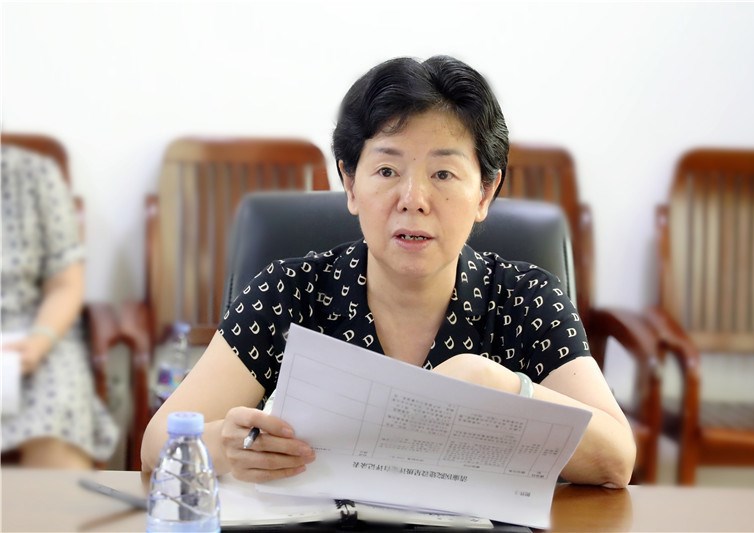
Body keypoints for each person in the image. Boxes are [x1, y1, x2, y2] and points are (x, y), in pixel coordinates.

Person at [142, 55, 635, 488]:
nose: (413, 200)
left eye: (443, 174)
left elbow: (617, 460)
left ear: (485, 192)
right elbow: (156, 445)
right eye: (386, 171)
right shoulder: (289, 292)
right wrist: (227, 446)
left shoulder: (526, 299)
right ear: (350, 184)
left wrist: (497, 385)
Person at [1, 144, 119, 468]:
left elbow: (65, 283)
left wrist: (38, 342)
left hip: (33, 331)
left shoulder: (35, 175)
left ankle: (52, 501)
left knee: (56, 412)